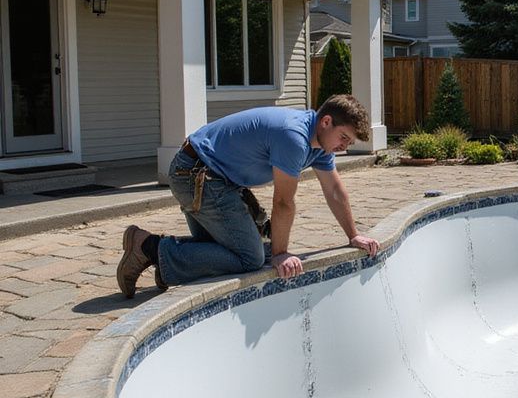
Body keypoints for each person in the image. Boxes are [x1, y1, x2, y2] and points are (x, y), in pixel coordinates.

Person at [117, 95, 380, 298]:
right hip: (196, 174)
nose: (344, 146)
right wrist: (282, 253)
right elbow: (283, 203)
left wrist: (353, 235)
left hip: (217, 178)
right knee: (251, 258)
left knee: (248, 252)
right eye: (343, 137)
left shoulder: (320, 146)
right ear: (326, 122)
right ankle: (147, 246)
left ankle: (166, 266)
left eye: (349, 142)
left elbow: (334, 190)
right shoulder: (294, 137)